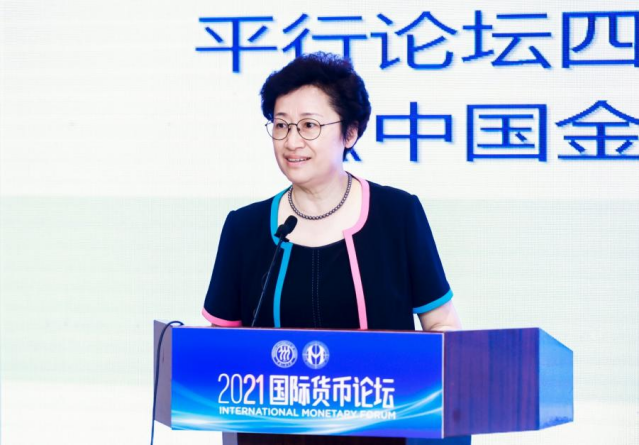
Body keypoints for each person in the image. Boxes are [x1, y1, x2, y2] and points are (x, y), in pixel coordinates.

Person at [202, 52, 461, 332]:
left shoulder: (397, 214)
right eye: (281, 125)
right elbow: (220, 341)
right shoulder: (244, 228)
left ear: (350, 133)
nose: (292, 141)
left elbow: (442, 324)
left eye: (309, 125)